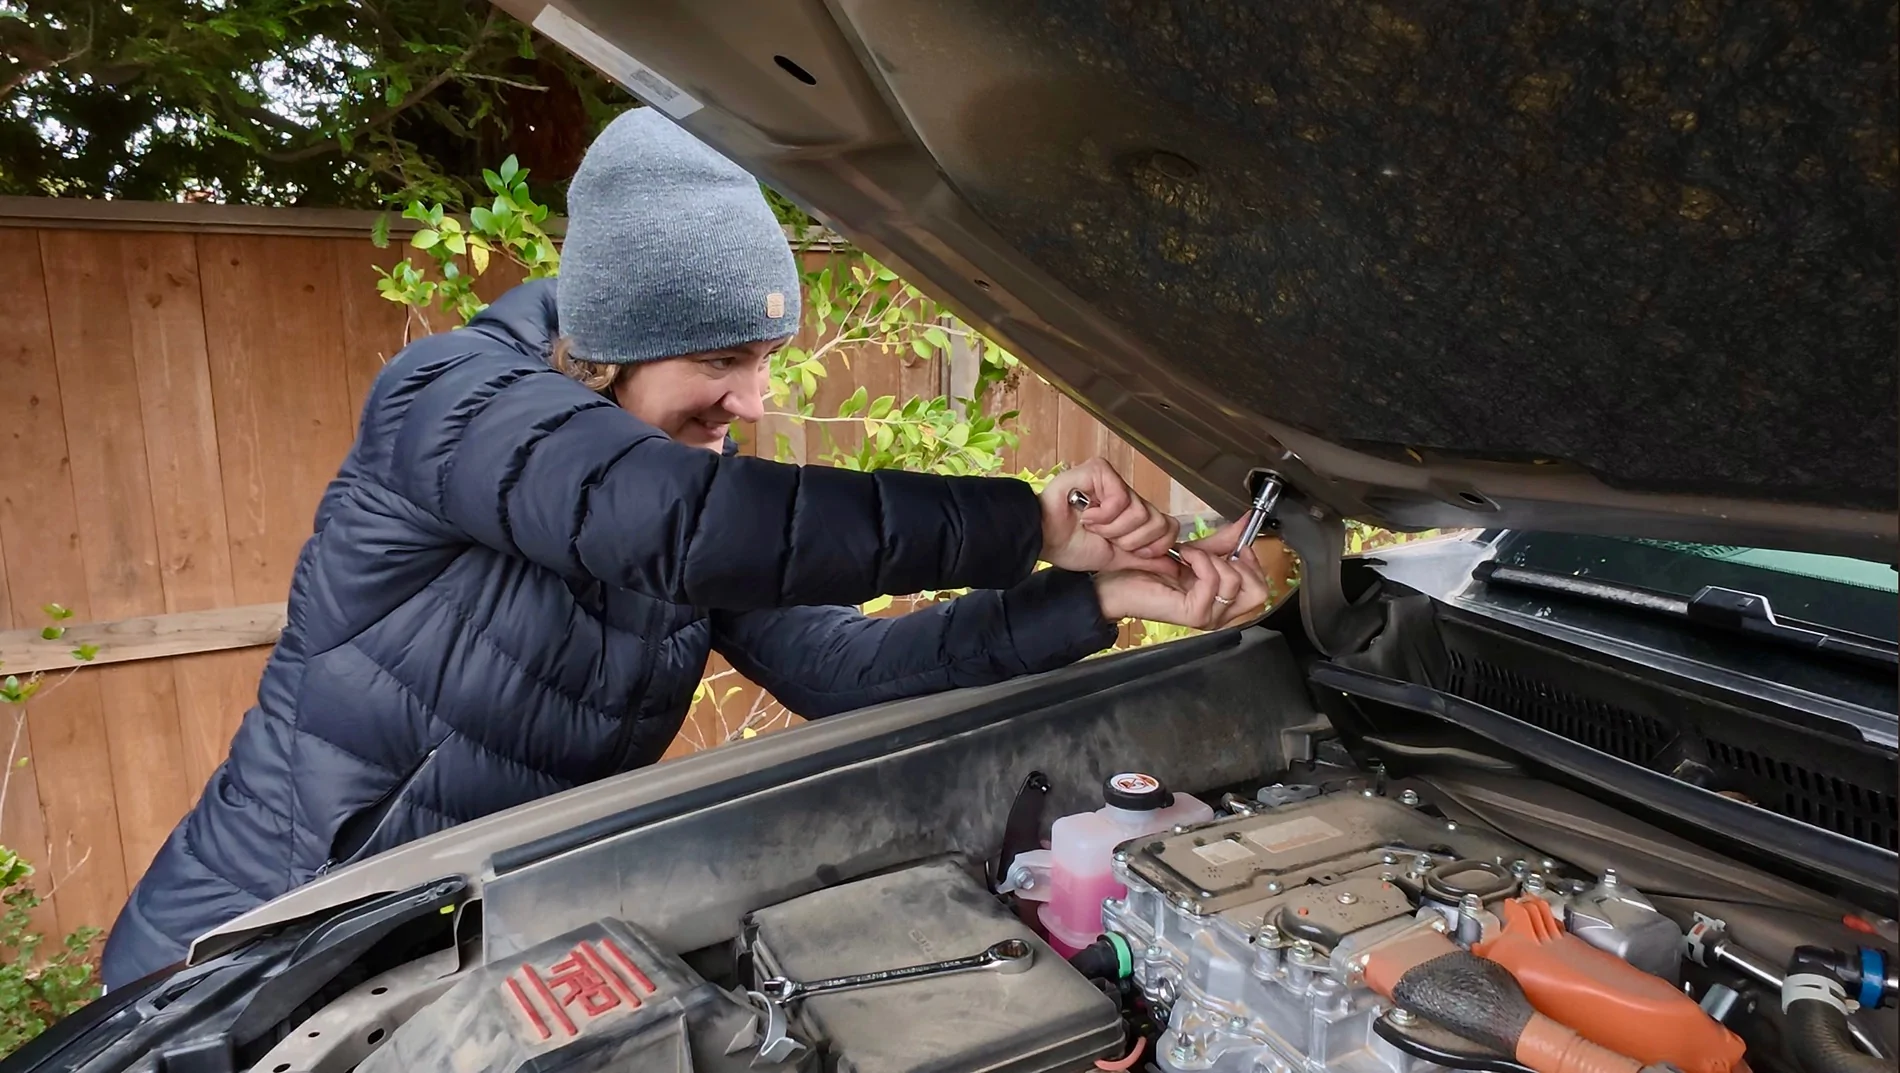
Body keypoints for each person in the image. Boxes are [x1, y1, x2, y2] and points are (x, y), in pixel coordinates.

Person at [99, 108, 1269, 988]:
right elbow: (662, 519)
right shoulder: (450, 400)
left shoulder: (686, 515)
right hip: (242, 956)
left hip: (455, 954)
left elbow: (841, 671)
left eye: (761, 360)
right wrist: (1022, 522)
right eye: (721, 359)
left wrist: (1097, 595)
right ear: (609, 341)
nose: (752, 399)